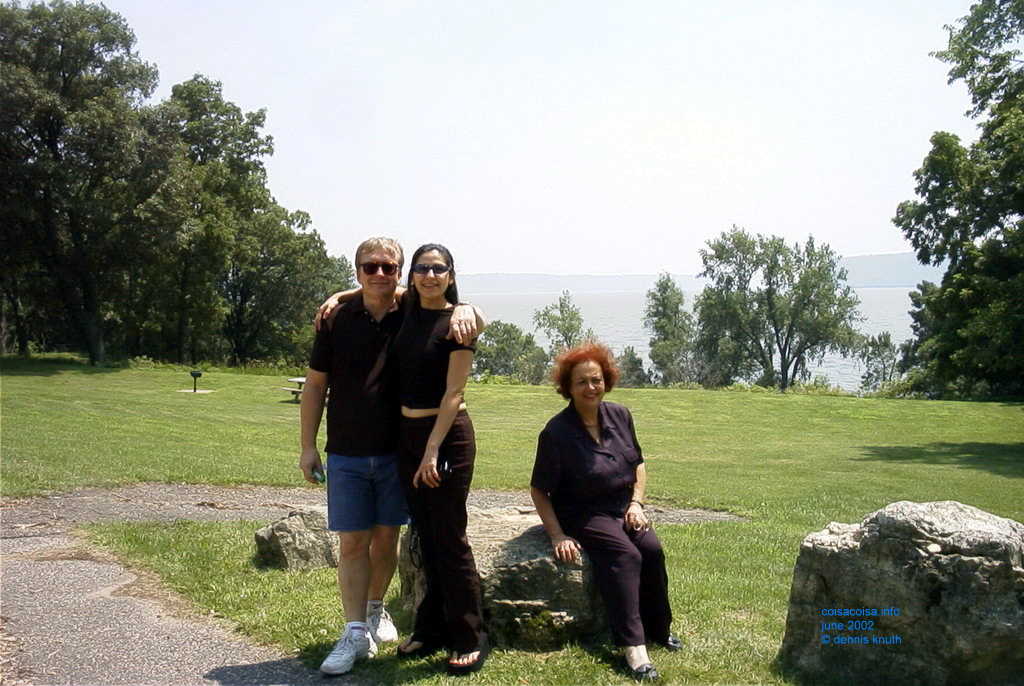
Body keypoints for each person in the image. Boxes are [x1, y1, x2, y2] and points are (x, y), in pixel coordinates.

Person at [299, 237, 480, 676]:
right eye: (369, 266)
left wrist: (470, 308)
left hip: (405, 447)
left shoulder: (411, 310)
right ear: (358, 270)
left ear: (399, 273)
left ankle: (401, 617)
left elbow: (446, 308)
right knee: (362, 543)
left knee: (406, 539)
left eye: (388, 267)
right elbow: (316, 385)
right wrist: (307, 445)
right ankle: (357, 630)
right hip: (350, 450)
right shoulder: (339, 317)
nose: (379, 273)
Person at [530, 342, 681, 682]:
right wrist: (557, 534)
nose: (590, 387)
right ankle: (633, 648)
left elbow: (638, 463)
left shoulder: (620, 415)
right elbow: (539, 490)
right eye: (581, 382)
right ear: (568, 387)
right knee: (626, 556)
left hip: (622, 507)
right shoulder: (556, 432)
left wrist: (636, 503)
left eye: (596, 379)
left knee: (652, 551)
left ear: (606, 380)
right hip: (583, 513)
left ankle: (659, 629)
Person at [391, 243, 489, 675]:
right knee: (424, 537)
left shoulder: (459, 324)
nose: (430, 275)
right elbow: (365, 292)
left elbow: (454, 394)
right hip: (407, 436)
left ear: (451, 275)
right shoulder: (404, 313)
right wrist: (337, 297)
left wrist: (431, 449)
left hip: (446, 439)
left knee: (449, 537)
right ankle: (430, 629)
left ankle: (471, 635)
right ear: (411, 275)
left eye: (438, 269)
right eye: (422, 268)